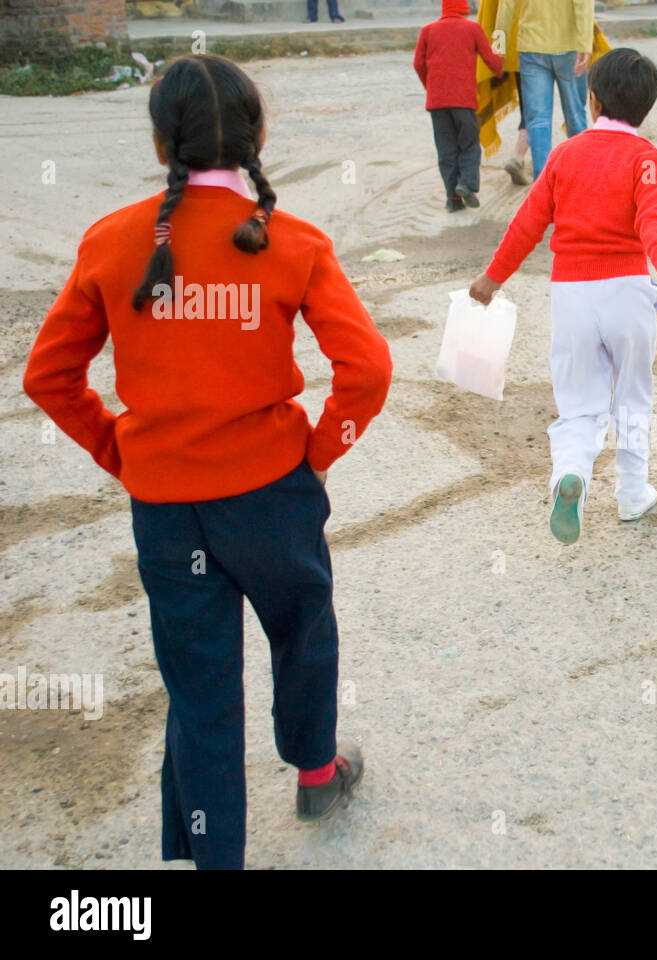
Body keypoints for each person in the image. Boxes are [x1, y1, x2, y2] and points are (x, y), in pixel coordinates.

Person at [23, 55, 393, 868]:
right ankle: (317, 772)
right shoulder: (291, 242)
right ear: (259, 137)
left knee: (198, 693)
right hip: (272, 493)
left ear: (163, 147)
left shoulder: (111, 242)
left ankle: (207, 855)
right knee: (303, 631)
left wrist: (121, 449)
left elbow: (48, 376)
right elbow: (367, 370)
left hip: (165, 508)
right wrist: (322, 452)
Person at [469, 49, 657, 544]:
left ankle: (572, 474)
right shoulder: (650, 160)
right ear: (647, 107)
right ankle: (632, 494)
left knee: (579, 402)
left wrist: (492, 278)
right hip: (628, 292)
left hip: (571, 294)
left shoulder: (565, 154)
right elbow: (654, 221)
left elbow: (528, 224)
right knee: (633, 395)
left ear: (591, 101)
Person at [414, 0, 504, 212]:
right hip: (464, 100)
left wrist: (431, 86)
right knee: (469, 144)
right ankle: (466, 184)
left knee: (446, 149)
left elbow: (418, 63)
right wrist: (501, 70)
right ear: (464, 7)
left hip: (437, 102)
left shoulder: (427, 30)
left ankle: (452, 199)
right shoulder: (472, 28)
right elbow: (491, 60)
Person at [498, 0, 594, 176]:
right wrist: (585, 44)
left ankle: (542, 183)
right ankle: (581, 176)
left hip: (531, 48)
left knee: (537, 120)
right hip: (569, 48)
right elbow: (583, 4)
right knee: (575, 115)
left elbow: (506, 6)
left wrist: (499, 48)